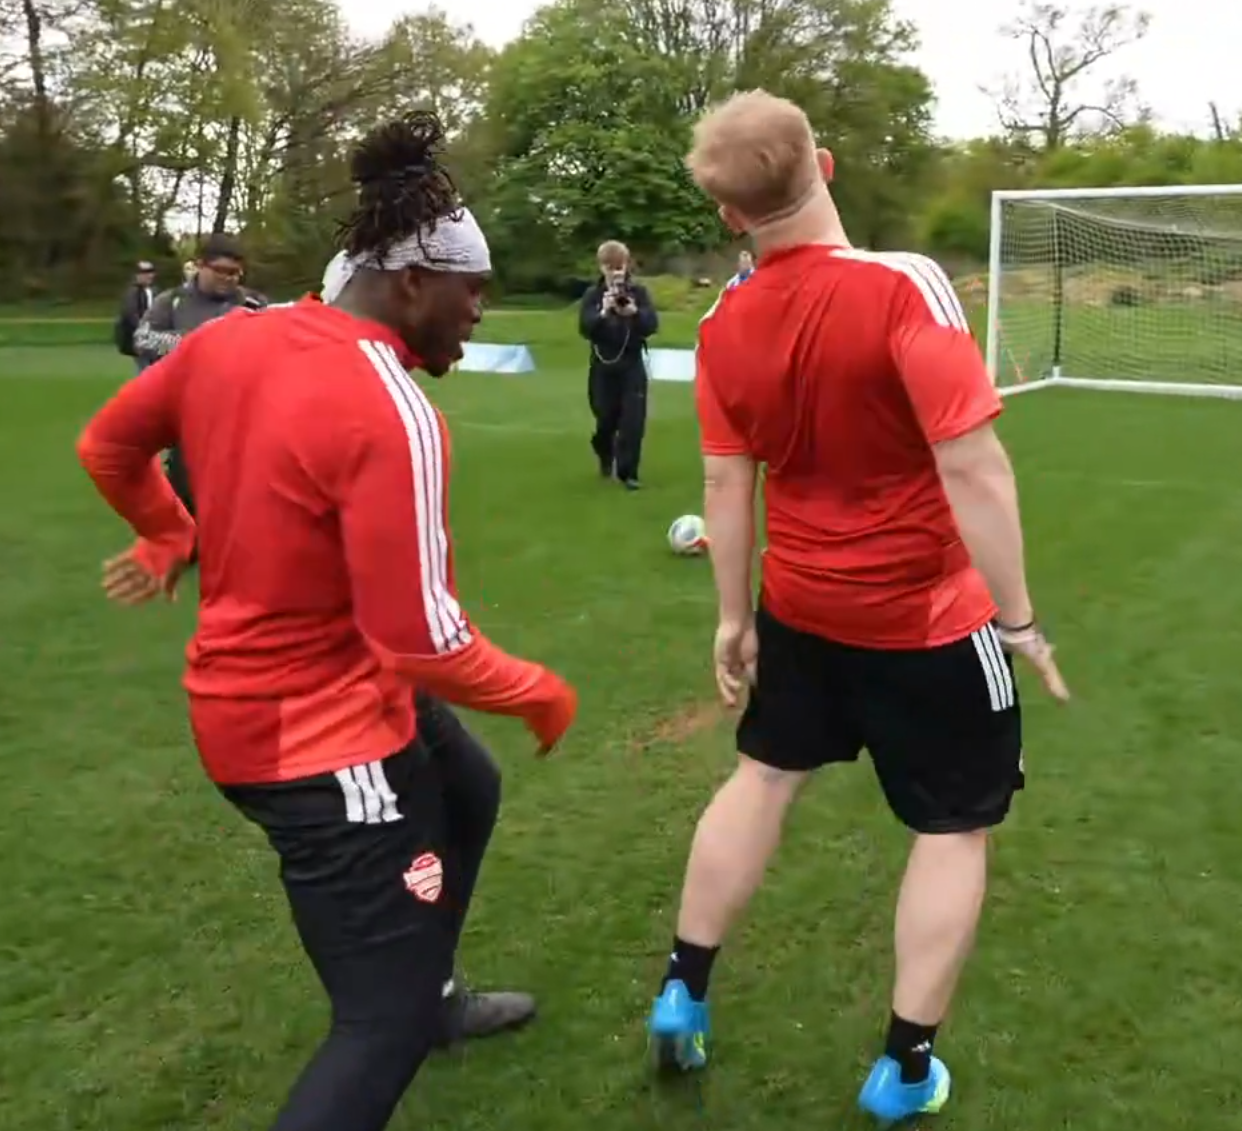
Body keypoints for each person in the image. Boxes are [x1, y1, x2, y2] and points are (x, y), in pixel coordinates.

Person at [76, 111, 578, 1131]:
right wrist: (538, 689)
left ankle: (437, 987)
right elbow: (421, 641)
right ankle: (417, 1000)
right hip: (313, 736)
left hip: (267, 699)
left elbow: (108, 447)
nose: (480, 312)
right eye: (474, 290)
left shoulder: (235, 339)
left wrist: (168, 529)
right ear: (413, 283)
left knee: (467, 786)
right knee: (380, 1024)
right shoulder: (388, 405)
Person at [644, 91, 1069, 1122]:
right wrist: (1018, 622)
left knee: (762, 777)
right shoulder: (902, 284)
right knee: (955, 828)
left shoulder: (723, 323)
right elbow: (973, 464)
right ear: (824, 165)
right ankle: (907, 1067)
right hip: (927, 621)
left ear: (730, 213)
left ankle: (681, 991)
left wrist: (734, 618)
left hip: (798, 608)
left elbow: (725, 484)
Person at [134, 232, 268, 516]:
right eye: (221, 270)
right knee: (186, 500)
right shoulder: (171, 301)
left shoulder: (255, 303)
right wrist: (194, 342)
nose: (229, 278)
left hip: (243, 417)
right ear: (200, 265)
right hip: (188, 418)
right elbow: (142, 338)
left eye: (235, 273)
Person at [578, 240, 659, 489]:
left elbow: (652, 325)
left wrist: (634, 313)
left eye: (619, 267)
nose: (615, 273)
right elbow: (585, 328)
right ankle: (604, 451)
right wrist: (603, 313)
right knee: (606, 419)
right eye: (610, 267)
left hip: (631, 365)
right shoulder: (593, 295)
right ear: (601, 267)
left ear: (626, 265)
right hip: (603, 367)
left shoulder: (639, 293)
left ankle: (628, 473)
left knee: (633, 421)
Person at [113, 260, 158, 373]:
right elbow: (130, 314)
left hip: (154, 336)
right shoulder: (133, 293)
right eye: (144, 273)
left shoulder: (154, 291)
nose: (149, 275)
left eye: (150, 272)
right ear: (137, 275)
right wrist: (143, 330)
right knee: (145, 369)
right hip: (141, 337)